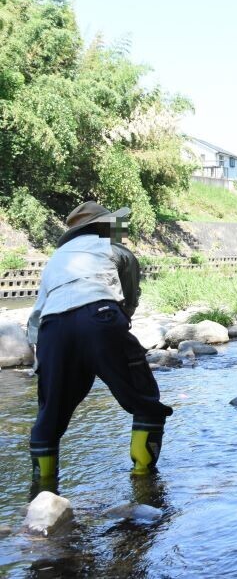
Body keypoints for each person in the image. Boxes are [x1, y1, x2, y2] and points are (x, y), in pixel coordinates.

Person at [26, 202, 172, 485]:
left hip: (52, 330)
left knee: (50, 414)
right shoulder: (115, 250)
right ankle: (143, 479)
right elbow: (129, 298)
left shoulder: (56, 259)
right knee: (143, 399)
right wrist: (118, 330)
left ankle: (42, 489)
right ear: (104, 226)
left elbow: (37, 314)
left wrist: (41, 359)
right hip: (100, 318)